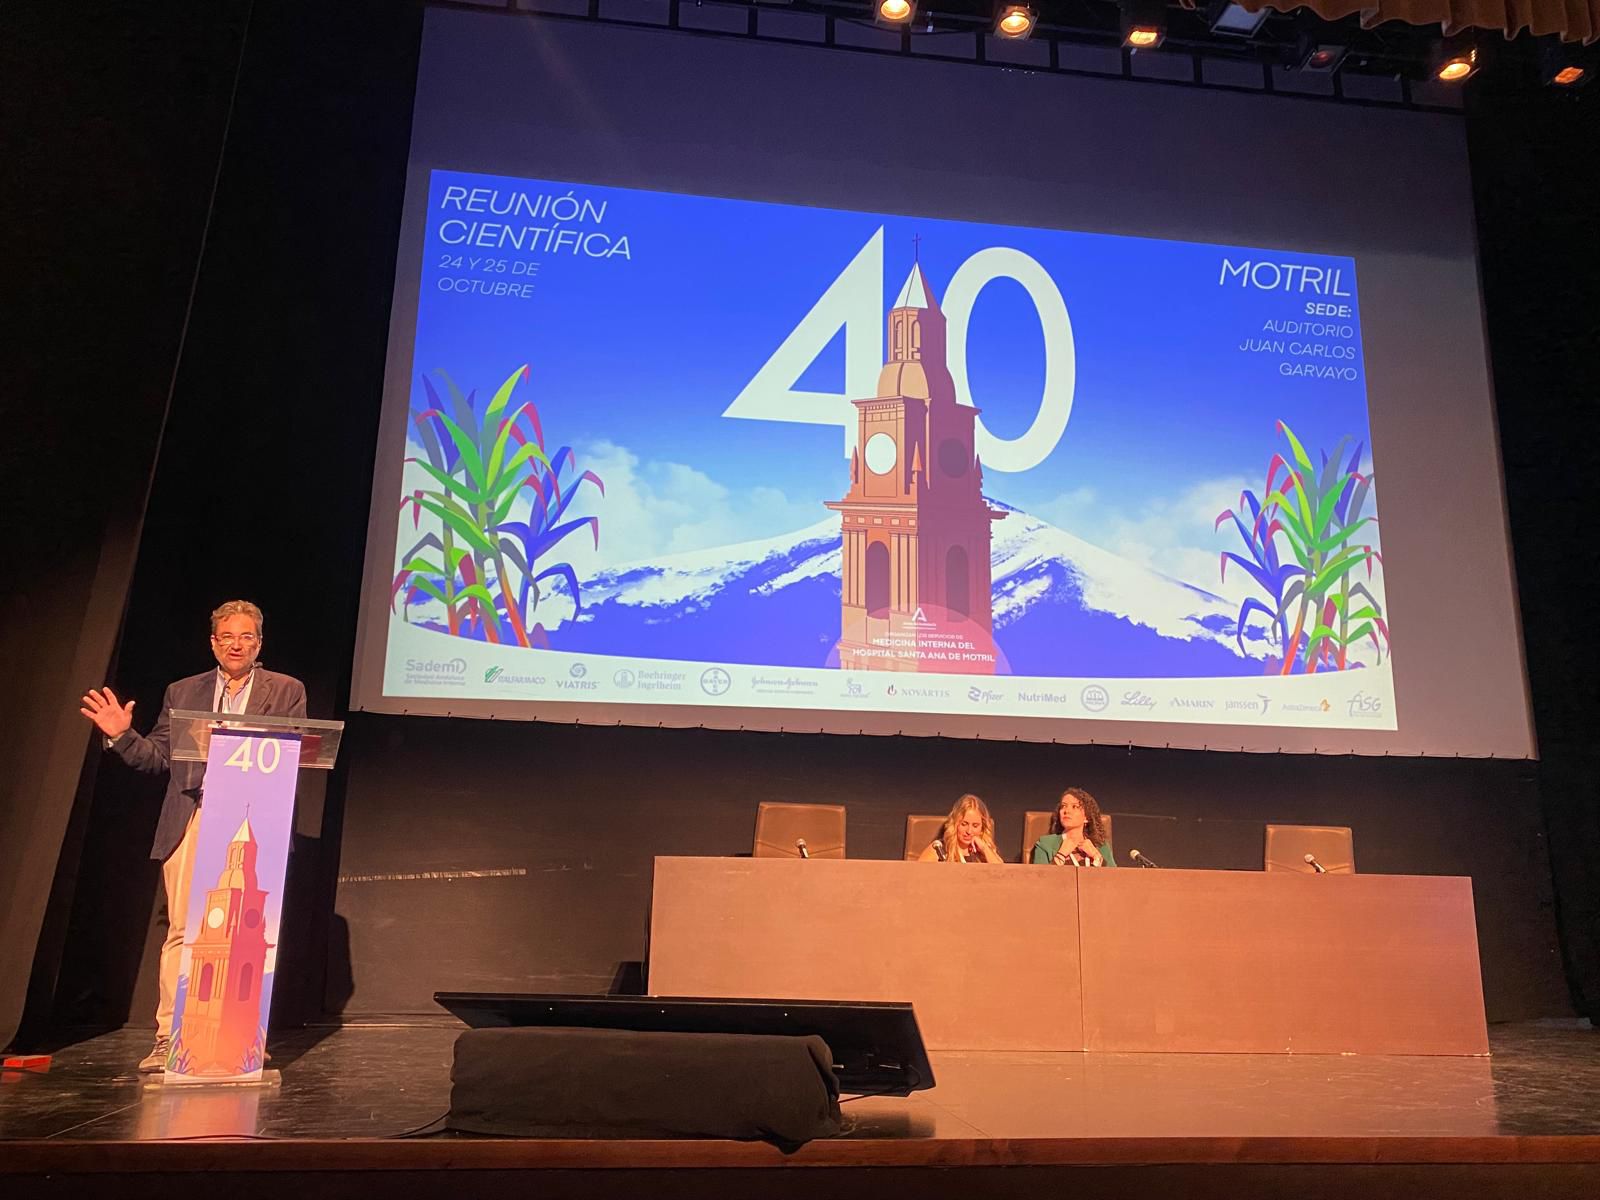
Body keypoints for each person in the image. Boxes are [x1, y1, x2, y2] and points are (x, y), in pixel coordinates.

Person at [79, 599, 307, 1072]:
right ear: (213, 642)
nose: (236, 645)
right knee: (186, 930)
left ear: (259, 642)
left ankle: (242, 1038)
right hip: (195, 814)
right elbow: (156, 759)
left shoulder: (286, 690)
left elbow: (295, 750)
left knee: (250, 935)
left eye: (246, 637)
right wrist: (122, 736)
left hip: (254, 822)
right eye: (227, 637)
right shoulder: (183, 691)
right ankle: (169, 1037)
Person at [1031, 787, 1117, 867]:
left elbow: (1115, 876)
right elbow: (1039, 876)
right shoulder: (1045, 844)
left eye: (1074, 806)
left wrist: (1097, 857)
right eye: (1063, 806)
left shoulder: (1101, 846)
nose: (1066, 811)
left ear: (1086, 817)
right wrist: (1061, 855)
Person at [917, 793, 1005, 863]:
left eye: (975, 826)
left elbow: (1003, 874)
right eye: (964, 824)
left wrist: (984, 849)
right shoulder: (939, 849)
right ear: (955, 824)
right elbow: (917, 875)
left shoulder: (984, 852)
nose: (969, 831)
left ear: (982, 827)